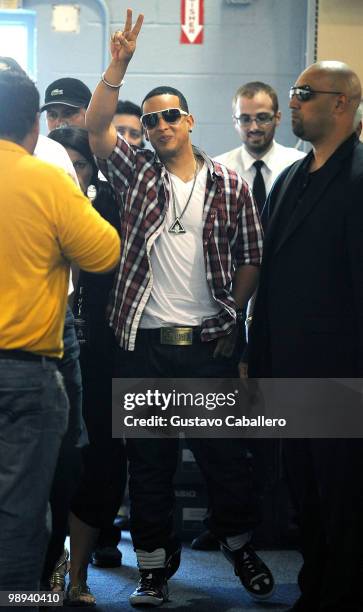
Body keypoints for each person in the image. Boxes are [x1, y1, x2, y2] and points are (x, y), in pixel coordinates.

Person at [86, 9, 275, 608]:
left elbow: (251, 257)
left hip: (208, 347)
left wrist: (232, 315)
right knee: (148, 466)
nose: (162, 124)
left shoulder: (229, 184)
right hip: (142, 346)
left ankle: (240, 547)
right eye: (152, 118)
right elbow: (95, 130)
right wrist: (118, 65)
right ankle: (153, 570)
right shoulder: (138, 173)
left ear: (189, 122)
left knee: (226, 460)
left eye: (171, 115)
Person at [0, 70, 120, 597]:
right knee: (21, 514)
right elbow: (103, 253)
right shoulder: (46, 177)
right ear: (34, 126)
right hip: (27, 373)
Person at [248, 61, 363, 612]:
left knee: (343, 498)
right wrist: (258, 356)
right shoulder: (293, 176)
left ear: (342, 103)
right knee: (306, 496)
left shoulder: (360, 177)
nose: (293, 103)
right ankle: (316, 588)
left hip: (341, 374)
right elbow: (271, 281)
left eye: (303, 94)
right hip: (289, 371)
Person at [48, 126, 126, 603]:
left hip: (103, 354)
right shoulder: (36, 201)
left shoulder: (108, 210)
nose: (72, 173)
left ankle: (78, 578)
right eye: (66, 164)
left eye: (80, 164)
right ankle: (50, 574)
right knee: (53, 468)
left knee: (100, 466)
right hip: (47, 353)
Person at [215, 81, 305, 225]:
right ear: (235, 122)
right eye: (245, 119)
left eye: (262, 118)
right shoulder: (218, 171)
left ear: (278, 118)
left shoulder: (300, 166)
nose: (254, 127)